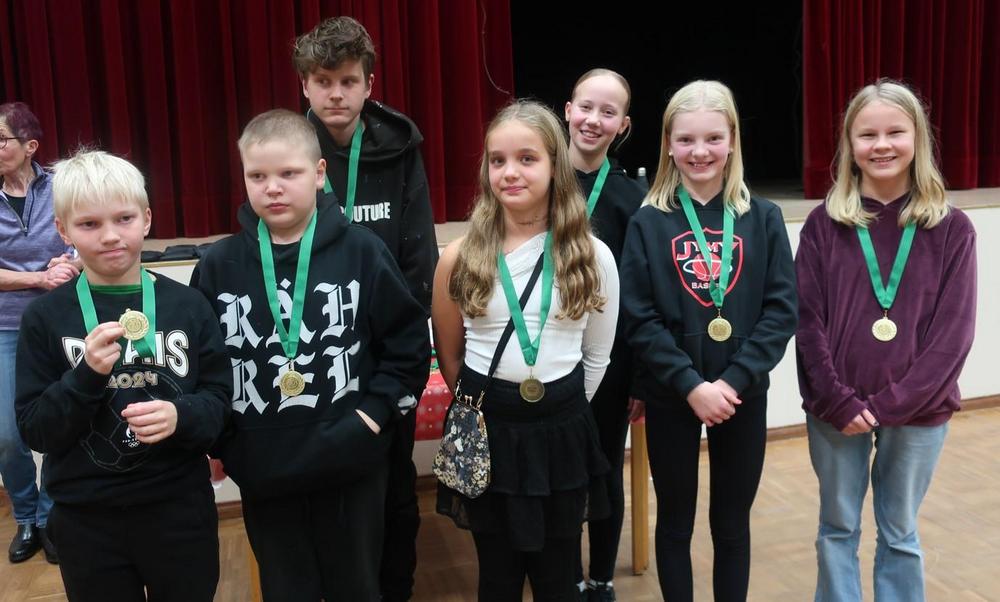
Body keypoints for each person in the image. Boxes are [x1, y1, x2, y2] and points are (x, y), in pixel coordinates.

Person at [191, 109, 429, 602]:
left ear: (319, 174)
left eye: (288, 173)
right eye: (258, 176)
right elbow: (205, 368)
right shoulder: (217, 265)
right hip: (265, 467)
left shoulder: (363, 251)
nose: (273, 188)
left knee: (357, 588)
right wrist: (224, 443)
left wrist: (372, 416)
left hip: (351, 463)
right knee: (286, 589)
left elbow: (407, 347)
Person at [15, 149, 231, 600]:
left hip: (178, 509)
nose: (110, 235)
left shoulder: (189, 306)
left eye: (124, 218)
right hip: (86, 518)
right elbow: (36, 429)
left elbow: (219, 401)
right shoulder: (44, 318)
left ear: (147, 219)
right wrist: (85, 376)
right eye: (89, 224)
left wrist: (182, 415)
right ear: (63, 230)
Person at [796, 79, 977, 602]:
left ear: (917, 138)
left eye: (895, 132)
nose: (881, 145)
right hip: (835, 410)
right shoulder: (823, 224)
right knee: (837, 528)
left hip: (918, 412)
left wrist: (887, 407)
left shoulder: (952, 229)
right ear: (849, 144)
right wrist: (839, 401)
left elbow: (953, 337)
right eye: (867, 134)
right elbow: (807, 323)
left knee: (899, 533)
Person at [433, 100, 619, 601]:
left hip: (561, 430)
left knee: (558, 573)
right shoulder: (460, 256)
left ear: (556, 165)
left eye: (527, 159)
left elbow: (597, 355)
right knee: (497, 574)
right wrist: (490, 404)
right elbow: (450, 354)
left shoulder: (592, 256)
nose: (510, 172)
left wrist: (558, 408)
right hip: (489, 427)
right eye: (498, 160)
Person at [619, 80, 797, 601]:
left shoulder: (764, 217)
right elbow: (639, 318)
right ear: (668, 145)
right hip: (673, 395)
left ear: (733, 140)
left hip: (742, 395)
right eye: (686, 140)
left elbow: (781, 312)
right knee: (675, 522)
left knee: (732, 525)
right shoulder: (648, 222)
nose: (700, 152)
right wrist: (691, 386)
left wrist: (733, 382)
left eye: (713, 138)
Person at [292, 19, 438, 599]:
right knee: (325, 486)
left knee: (395, 486)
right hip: (314, 351)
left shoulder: (400, 147)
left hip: (384, 354)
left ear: (368, 84)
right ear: (304, 85)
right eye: (323, 81)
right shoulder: (286, 150)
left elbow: (419, 255)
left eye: (348, 81)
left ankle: (393, 589)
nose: (336, 94)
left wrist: (401, 343)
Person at [563, 68, 644, 602]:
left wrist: (639, 378)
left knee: (606, 468)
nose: (594, 120)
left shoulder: (633, 198)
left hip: (610, 364)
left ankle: (602, 578)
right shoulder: (539, 181)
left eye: (608, 112)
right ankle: (566, 574)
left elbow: (638, 298)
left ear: (623, 125)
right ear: (568, 110)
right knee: (561, 473)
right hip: (549, 357)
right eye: (586, 107)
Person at [0, 101, 77, 564]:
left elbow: (84, 237)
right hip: (6, 327)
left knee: (63, 419)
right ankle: (26, 515)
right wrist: (37, 277)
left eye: (1, 140)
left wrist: (70, 263)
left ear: (30, 146)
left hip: (60, 321)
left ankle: (51, 517)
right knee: (8, 436)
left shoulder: (62, 185)